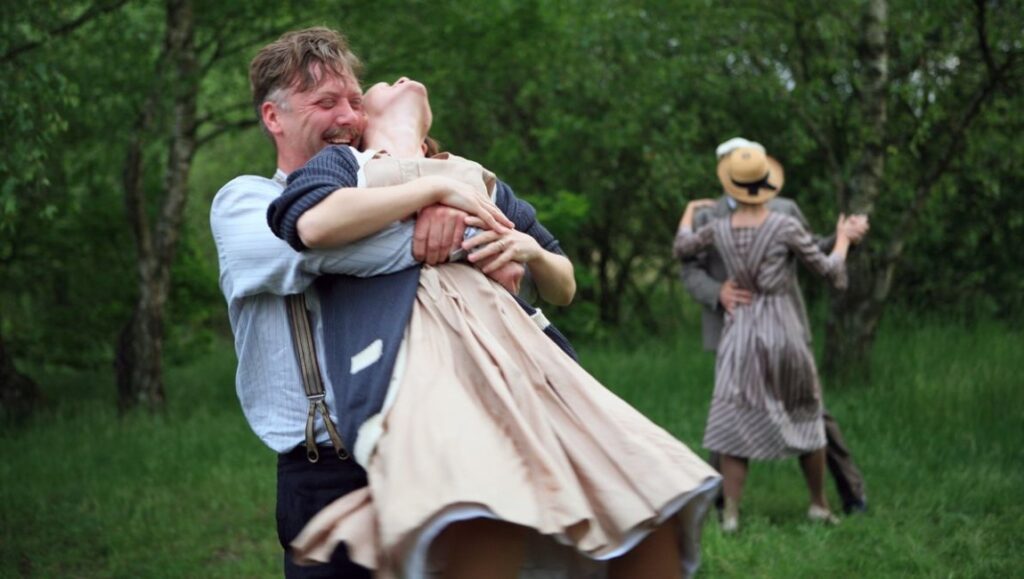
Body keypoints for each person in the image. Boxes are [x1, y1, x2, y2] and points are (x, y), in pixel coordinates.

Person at [270, 76, 722, 578]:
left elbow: (563, 283)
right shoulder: (346, 165)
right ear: (364, 125)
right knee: (486, 505)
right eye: (366, 93)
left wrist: (529, 252)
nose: (398, 80)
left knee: (645, 491)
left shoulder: (475, 176)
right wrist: (433, 195)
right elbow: (310, 223)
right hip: (425, 358)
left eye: (356, 96)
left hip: (525, 360)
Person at [210, 28, 517, 578]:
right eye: (324, 102)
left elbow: (509, 252)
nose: (347, 118)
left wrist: (437, 207)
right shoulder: (245, 202)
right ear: (273, 118)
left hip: (436, 455)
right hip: (327, 472)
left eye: (355, 102)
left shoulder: (397, 187)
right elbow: (325, 244)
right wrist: (436, 206)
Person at [673, 145, 865, 533]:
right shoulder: (785, 224)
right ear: (769, 185)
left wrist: (688, 213)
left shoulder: (719, 227)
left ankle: (730, 516)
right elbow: (827, 267)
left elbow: (681, 246)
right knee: (807, 413)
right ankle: (818, 505)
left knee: (733, 418)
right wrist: (844, 239)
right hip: (784, 331)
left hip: (740, 331)